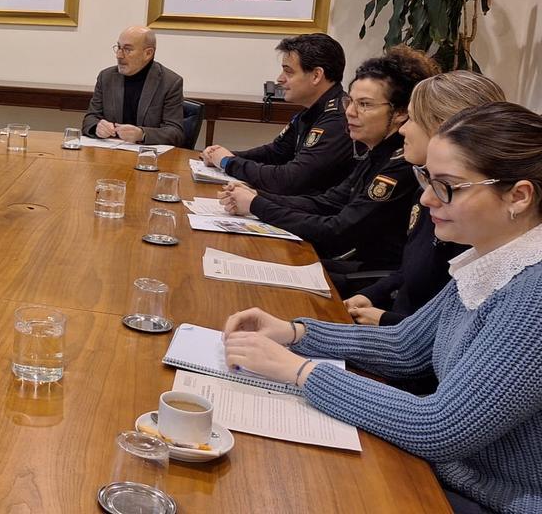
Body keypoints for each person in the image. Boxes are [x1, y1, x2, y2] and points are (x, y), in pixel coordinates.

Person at [222, 101, 542, 514]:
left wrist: (298, 371)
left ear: (518, 195)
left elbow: (439, 427)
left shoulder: (532, 291)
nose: (426, 198)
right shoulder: (492, 259)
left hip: (495, 500)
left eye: (447, 185)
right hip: (452, 474)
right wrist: (295, 333)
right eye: (426, 178)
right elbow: (405, 348)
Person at [220, 47, 439, 291]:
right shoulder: (375, 150)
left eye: (364, 104)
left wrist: (255, 204)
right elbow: (327, 202)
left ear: (399, 113)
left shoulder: (400, 163)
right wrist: (255, 197)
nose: (350, 113)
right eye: (351, 102)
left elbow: (337, 232)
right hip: (362, 267)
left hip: (376, 281)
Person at [344, 71, 505, 327]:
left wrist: (386, 320)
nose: (403, 128)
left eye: (413, 119)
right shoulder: (427, 188)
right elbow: (410, 268)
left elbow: (449, 325)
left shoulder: (471, 210)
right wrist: (371, 294)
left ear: (447, 128)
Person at [202, 33, 352, 195]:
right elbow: (276, 153)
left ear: (316, 75)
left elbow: (288, 180)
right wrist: (223, 156)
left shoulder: (339, 119)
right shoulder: (311, 111)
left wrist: (228, 162)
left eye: (289, 72)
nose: (279, 79)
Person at [81, 25, 184, 146]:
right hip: (109, 153)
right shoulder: (106, 77)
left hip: (148, 157)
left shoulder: (170, 82)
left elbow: (175, 133)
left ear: (148, 53)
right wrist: (96, 127)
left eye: (127, 49)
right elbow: (90, 118)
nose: (119, 55)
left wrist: (142, 134)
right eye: (119, 47)